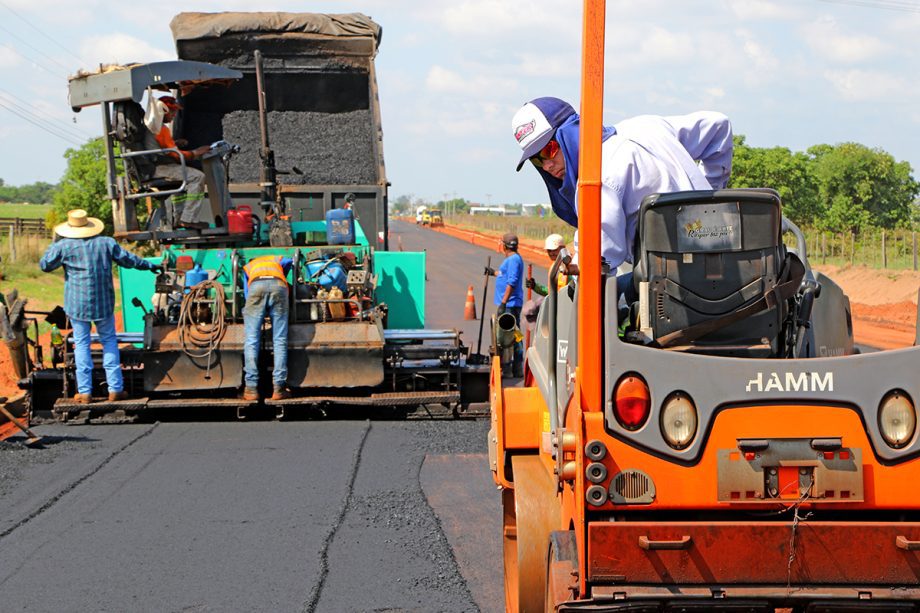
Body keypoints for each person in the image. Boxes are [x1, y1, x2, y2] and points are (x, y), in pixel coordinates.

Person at [511, 97, 733, 301]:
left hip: (679, 289)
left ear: (571, 133)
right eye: (536, 161)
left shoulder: (597, 181)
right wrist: (707, 199)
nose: (547, 165)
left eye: (549, 149)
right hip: (729, 262)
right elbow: (718, 126)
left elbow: (599, 262)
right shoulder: (646, 126)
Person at [39, 209, 162, 403]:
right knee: (109, 341)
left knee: (81, 344)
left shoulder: (63, 246)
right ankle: (115, 389)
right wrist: (149, 265)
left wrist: (53, 244)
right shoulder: (106, 243)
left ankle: (85, 392)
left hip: (77, 305)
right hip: (103, 303)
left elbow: (45, 265)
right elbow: (129, 260)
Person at [149, 95, 211, 230]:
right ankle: (189, 219)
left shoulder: (152, 126)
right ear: (162, 111)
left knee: (183, 178)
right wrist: (195, 153)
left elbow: (163, 147)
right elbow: (175, 155)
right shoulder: (161, 128)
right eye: (172, 111)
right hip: (160, 167)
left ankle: (179, 218)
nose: (174, 115)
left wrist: (175, 143)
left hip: (154, 166)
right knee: (197, 177)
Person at [241, 255, 293, 401]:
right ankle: (279, 388)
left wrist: (252, 309)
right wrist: (284, 275)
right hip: (279, 286)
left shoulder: (249, 267)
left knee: (251, 339)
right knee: (280, 340)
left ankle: (251, 389)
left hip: (256, 287)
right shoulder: (277, 258)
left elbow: (247, 291)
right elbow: (289, 261)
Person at [484, 233, 524, 377]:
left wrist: (503, 302)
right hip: (509, 303)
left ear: (505, 245)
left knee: (508, 336)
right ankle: (515, 368)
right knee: (513, 334)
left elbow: (512, 282)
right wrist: (493, 272)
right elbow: (505, 274)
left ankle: (511, 368)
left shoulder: (513, 260)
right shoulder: (512, 259)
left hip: (510, 305)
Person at [522, 233, 569, 329]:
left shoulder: (569, 267)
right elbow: (551, 292)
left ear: (563, 248)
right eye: (549, 250)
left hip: (567, 310)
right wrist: (535, 286)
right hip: (556, 308)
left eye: (554, 250)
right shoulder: (554, 266)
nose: (551, 253)